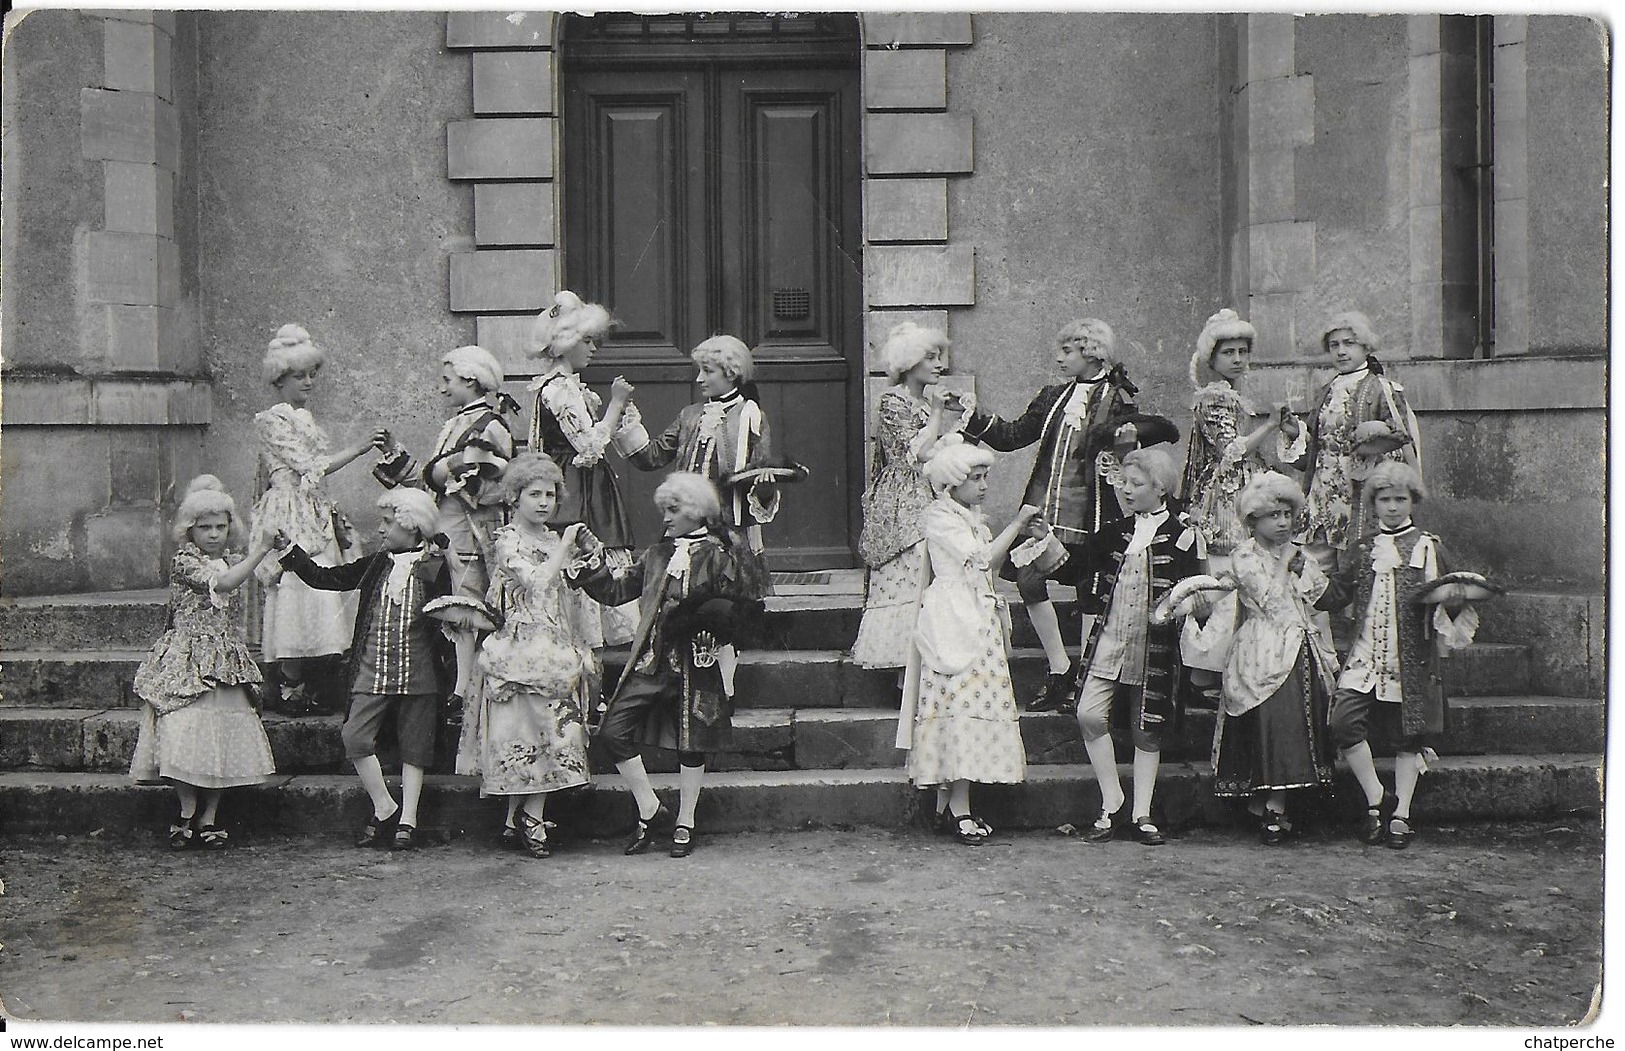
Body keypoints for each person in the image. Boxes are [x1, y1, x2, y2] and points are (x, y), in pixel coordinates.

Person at [960, 319, 1177, 712]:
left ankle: (1086, 677)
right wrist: (973, 415)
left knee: (1091, 592)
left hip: (1093, 513)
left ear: (1091, 353)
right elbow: (1013, 436)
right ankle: (1060, 668)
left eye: (1067, 351)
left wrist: (1126, 446)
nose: (1058, 358)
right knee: (1029, 581)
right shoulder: (1053, 397)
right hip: (1045, 509)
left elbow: (1128, 457)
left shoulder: (1119, 401)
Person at [566, 473, 760, 859]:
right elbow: (617, 591)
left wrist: (718, 639)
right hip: (651, 661)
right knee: (612, 731)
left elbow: (741, 608)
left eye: (673, 510)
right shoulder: (656, 555)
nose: (666, 519)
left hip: (697, 664)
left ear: (696, 512)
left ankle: (685, 820)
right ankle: (651, 810)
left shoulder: (722, 554)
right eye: (664, 511)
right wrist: (592, 561)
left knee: (693, 741)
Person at [1037, 446, 1201, 845]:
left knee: (1148, 728)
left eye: (1136, 484)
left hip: (1154, 646)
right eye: (1124, 483)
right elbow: (1076, 570)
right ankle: (1112, 801)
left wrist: (1179, 608)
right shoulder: (1113, 532)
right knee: (1089, 715)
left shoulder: (1183, 536)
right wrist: (1046, 540)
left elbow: (1198, 590)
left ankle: (1142, 813)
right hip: (1109, 640)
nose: (1125, 491)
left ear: (1160, 489)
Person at [274, 488, 452, 852]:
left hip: (420, 672)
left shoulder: (434, 568)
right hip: (373, 667)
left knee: (415, 747)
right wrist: (290, 553)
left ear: (413, 526)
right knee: (354, 737)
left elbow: (448, 619)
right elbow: (329, 578)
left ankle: (409, 820)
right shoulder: (376, 564)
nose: (381, 530)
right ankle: (385, 807)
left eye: (388, 523)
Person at [895, 436, 1036, 845]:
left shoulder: (969, 517)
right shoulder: (940, 517)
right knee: (957, 705)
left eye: (985, 476)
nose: (984, 485)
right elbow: (983, 559)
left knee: (972, 704)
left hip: (976, 614)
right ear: (951, 483)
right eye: (976, 478)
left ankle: (950, 807)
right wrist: (1017, 523)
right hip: (953, 617)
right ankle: (958, 810)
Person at [1318, 461, 1466, 850]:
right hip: (1365, 655)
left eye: (1400, 499)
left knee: (1407, 736)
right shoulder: (1362, 547)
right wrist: (1305, 573)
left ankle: (1401, 815)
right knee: (1343, 723)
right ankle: (1376, 799)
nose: (1393, 507)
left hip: (1410, 659)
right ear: (1374, 503)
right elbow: (1335, 596)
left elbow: (1451, 601)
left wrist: (1452, 601)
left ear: (1413, 501)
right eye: (1385, 499)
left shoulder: (1428, 547)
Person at [456, 455, 596, 859]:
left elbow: (569, 588)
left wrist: (585, 553)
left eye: (550, 495)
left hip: (552, 643)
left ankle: (521, 818)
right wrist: (566, 547)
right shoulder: (507, 540)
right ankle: (525, 818)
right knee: (524, 732)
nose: (543, 503)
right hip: (518, 645)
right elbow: (535, 582)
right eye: (534, 494)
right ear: (514, 497)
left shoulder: (552, 541)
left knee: (552, 731)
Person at [131, 476, 278, 850]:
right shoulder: (185, 562)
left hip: (226, 658)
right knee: (184, 732)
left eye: (220, 527)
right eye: (205, 527)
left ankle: (210, 816)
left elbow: (256, 577)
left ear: (230, 528)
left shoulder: (229, 559)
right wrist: (260, 551)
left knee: (222, 736)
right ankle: (186, 808)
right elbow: (224, 584)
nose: (213, 534)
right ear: (190, 530)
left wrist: (281, 553)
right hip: (187, 656)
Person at [373, 345, 518, 706]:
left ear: (470, 380)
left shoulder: (491, 426)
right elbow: (432, 484)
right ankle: (459, 684)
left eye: (447, 380)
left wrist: (451, 474)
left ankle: (467, 690)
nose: (442, 388)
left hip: (472, 532)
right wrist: (398, 455)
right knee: (451, 610)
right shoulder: (457, 424)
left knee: (468, 609)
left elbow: (495, 488)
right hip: (447, 532)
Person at [250, 324, 381, 715]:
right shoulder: (271, 421)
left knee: (321, 587)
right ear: (280, 378)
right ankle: (290, 681)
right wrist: (359, 448)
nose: (308, 382)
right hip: (290, 511)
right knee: (294, 587)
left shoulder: (303, 418)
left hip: (312, 509)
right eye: (299, 375)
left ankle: (318, 678)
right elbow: (309, 466)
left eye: (311, 374)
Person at [1204, 472, 1337, 843]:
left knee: (1297, 723)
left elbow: (1318, 594)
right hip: (1262, 646)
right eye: (1273, 516)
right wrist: (1284, 565)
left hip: (1300, 643)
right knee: (1272, 721)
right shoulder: (1244, 556)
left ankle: (1281, 803)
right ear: (1253, 520)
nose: (1282, 523)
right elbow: (1270, 601)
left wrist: (1301, 568)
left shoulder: (1296, 552)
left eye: (1286, 515)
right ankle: (1265, 802)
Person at [851, 322, 967, 687]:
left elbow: (936, 451)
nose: (938, 366)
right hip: (902, 500)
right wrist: (936, 414)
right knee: (912, 573)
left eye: (938, 358)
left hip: (929, 492)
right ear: (909, 362)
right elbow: (912, 454)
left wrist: (961, 418)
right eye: (929, 358)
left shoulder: (920, 402)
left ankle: (928, 667)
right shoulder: (892, 401)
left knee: (936, 575)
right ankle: (907, 674)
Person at [526, 290, 640, 648]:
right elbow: (589, 446)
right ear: (566, 344)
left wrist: (618, 412)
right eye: (587, 341)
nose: (593, 349)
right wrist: (616, 404)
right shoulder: (559, 390)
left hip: (584, 484)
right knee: (582, 554)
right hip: (575, 486)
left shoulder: (572, 388)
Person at [1277, 311, 1422, 573]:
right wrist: (1295, 434)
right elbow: (1313, 454)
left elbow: (1402, 441)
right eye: (1335, 345)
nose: (1341, 351)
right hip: (1322, 495)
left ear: (1366, 347)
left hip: (1358, 497)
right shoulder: (1327, 390)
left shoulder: (1381, 389)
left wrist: (1372, 443)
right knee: (1314, 572)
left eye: (1349, 343)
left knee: (1358, 569)